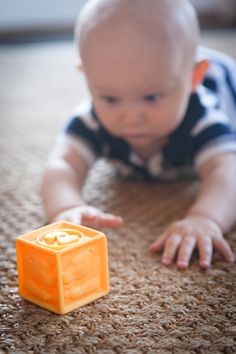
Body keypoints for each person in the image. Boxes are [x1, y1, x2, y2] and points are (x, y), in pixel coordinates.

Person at [42, 0, 236, 269]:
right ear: (86, 77)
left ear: (193, 78)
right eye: (110, 98)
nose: (131, 117)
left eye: (152, 97)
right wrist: (65, 207)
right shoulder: (91, 118)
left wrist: (206, 217)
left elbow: (227, 171)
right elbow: (62, 163)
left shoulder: (203, 118)